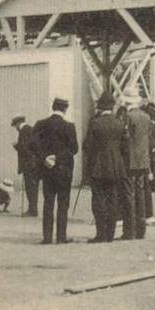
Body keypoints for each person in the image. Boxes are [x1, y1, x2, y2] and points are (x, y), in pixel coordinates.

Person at [33, 97, 78, 244]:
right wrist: (57, 157)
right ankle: (61, 237)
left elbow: (32, 145)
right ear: (65, 109)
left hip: (47, 171)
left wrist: (45, 158)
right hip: (64, 170)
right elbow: (74, 149)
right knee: (63, 204)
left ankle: (47, 237)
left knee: (48, 202)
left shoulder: (41, 125)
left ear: (53, 107)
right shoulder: (69, 127)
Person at [83, 91, 127, 243]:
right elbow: (125, 147)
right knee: (113, 200)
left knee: (98, 200)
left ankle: (100, 233)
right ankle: (110, 234)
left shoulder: (95, 123)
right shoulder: (119, 123)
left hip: (98, 167)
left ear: (101, 106)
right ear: (112, 106)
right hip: (116, 167)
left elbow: (87, 146)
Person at [121, 85, 152, 240]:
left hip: (130, 161)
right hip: (143, 161)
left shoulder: (128, 117)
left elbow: (126, 139)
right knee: (141, 194)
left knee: (129, 196)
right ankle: (141, 229)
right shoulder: (146, 117)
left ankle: (129, 230)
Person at [11, 114, 40, 217]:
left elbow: (25, 149)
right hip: (35, 164)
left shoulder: (23, 132)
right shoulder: (32, 129)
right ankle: (33, 208)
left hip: (29, 164)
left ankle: (32, 210)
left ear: (18, 123)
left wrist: (16, 146)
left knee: (30, 187)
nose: (15, 128)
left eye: (15, 126)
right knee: (33, 187)